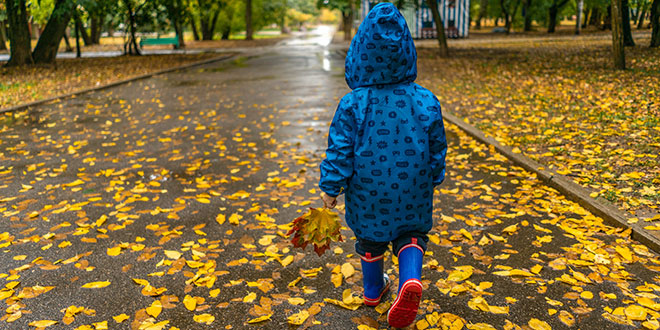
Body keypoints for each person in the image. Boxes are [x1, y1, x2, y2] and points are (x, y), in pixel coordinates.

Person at [318, 3, 448, 328]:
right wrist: (435, 175)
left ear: (360, 51)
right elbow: (437, 145)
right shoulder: (425, 100)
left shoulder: (353, 104)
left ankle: (374, 290)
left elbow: (340, 149)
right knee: (412, 235)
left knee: (371, 239)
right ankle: (409, 281)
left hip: (368, 193)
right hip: (413, 188)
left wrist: (330, 187)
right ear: (407, 50)